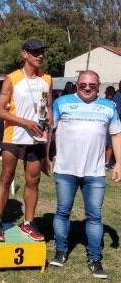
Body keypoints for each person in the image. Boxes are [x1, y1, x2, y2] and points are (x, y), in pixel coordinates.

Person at [49, 70, 121, 279]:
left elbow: (116, 135)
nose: (87, 88)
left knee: (95, 216)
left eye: (91, 85)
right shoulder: (61, 103)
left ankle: (94, 258)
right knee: (63, 211)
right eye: (83, 85)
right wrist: (46, 157)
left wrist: (119, 164)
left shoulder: (109, 106)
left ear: (98, 86)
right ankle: (61, 251)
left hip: (95, 172)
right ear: (76, 85)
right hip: (65, 169)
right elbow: (47, 131)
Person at [0, 38, 52, 242]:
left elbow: (47, 106)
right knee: (6, 178)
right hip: (14, 136)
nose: (40, 55)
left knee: (33, 181)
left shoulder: (47, 79)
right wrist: (24, 121)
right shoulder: (12, 78)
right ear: (24, 54)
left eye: (42, 51)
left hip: (36, 139)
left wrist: (48, 118)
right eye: (35, 52)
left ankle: (28, 223)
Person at [104, 86, 116, 169]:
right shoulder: (102, 101)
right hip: (103, 126)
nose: (110, 93)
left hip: (112, 125)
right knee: (103, 144)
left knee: (110, 145)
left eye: (112, 92)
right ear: (106, 92)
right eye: (109, 91)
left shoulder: (114, 103)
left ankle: (107, 163)